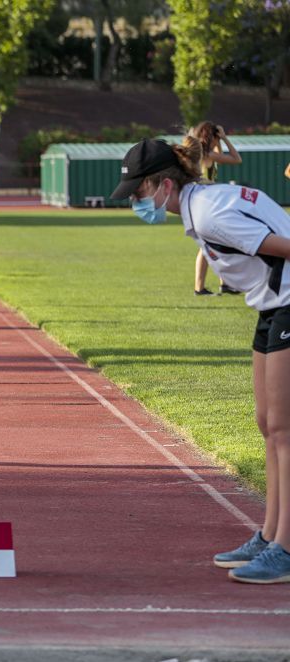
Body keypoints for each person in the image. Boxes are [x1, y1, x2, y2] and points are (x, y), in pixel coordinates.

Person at [111, 138, 290, 584]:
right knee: (268, 423)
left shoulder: (211, 212)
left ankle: (287, 547)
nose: (137, 202)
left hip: (289, 303)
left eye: (139, 192)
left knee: (286, 431)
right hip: (272, 307)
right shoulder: (202, 206)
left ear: (163, 185)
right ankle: (270, 535)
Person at [185, 122, 242, 296]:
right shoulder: (207, 155)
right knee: (207, 245)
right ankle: (199, 288)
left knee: (220, 243)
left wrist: (218, 140)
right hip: (207, 202)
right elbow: (236, 159)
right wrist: (224, 137)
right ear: (212, 136)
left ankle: (224, 283)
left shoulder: (202, 154)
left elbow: (220, 155)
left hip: (203, 202)